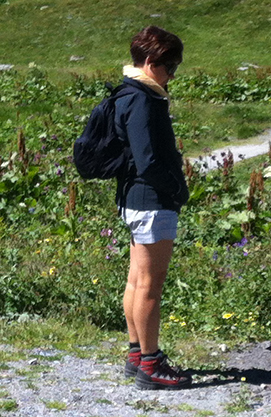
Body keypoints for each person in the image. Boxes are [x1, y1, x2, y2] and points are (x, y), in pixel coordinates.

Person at [115, 26, 191, 390]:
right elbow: (147, 160)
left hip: (134, 198)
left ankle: (136, 354)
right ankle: (151, 363)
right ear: (150, 62)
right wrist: (175, 189)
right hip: (151, 200)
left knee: (135, 280)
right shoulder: (144, 98)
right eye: (170, 66)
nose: (172, 74)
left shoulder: (128, 93)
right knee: (149, 285)